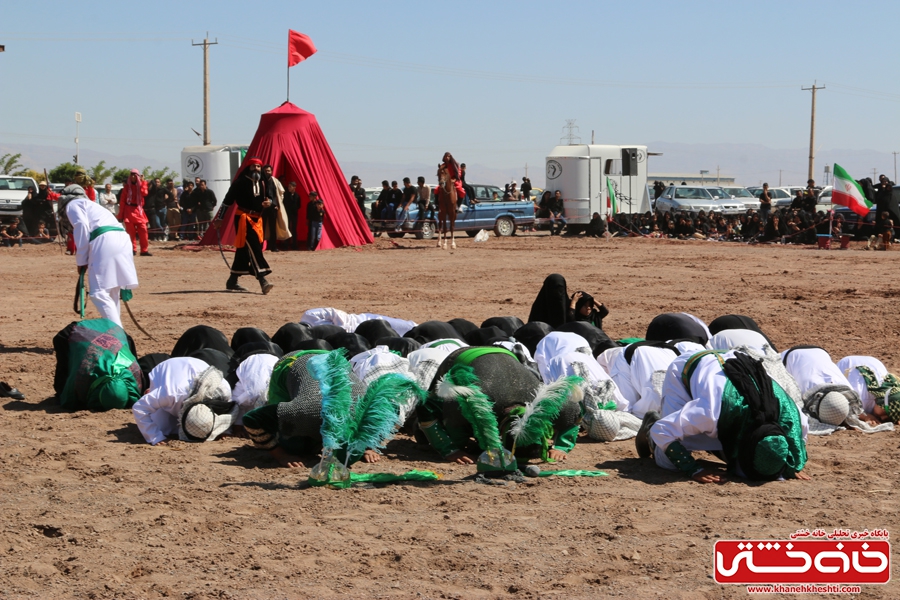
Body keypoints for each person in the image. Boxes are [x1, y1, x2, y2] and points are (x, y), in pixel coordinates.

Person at [638, 349, 810, 483]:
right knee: (668, 462)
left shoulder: (793, 418)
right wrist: (693, 469)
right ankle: (650, 423)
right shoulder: (710, 413)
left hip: (732, 367)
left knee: (729, 448)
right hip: (687, 369)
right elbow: (663, 431)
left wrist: (789, 464)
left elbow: (795, 441)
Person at [416, 345, 583, 467]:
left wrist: (562, 446)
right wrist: (450, 449)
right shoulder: (471, 400)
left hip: (506, 356)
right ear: (500, 435)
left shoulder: (547, 407)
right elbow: (425, 406)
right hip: (460, 359)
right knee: (439, 433)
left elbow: (574, 412)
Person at [59, 184, 139, 327]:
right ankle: (115, 332)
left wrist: (81, 260)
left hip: (105, 239)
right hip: (122, 239)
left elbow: (81, 227)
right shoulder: (92, 205)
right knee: (112, 291)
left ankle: (118, 336)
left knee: (98, 293)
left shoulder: (73, 204)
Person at [132, 357, 234, 445]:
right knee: (163, 428)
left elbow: (228, 410)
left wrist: (224, 430)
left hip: (197, 364)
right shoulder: (172, 393)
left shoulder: (223, 391)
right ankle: (152, 393)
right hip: (167, 369)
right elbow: (139, 407)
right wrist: (155, 437)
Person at [53, 318, 143, 411]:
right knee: (64, 376)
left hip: (114, 329)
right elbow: (69, 398)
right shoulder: (84, 373)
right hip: (77, 331)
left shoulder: (135, 376)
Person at [215, 158, 274, 294]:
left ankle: (232, 281)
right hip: (243, 218)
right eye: (254, 167)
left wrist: (269, 203)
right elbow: (227, 202)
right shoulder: (240, 183)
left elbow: (270, 198)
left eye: (259, 167)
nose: (257, 169)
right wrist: (220, 219)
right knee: (254, 247)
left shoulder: (265, 182)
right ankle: (262, 280)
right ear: (248, 168)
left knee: (244, 250)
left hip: (258, 220)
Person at [117, 169, 151, 256]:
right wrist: (120, 215)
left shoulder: (141, 185)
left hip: (139, 210)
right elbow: (122, 201)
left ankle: (144, 250)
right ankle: (132, 249)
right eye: (131, 175)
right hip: (128, 210)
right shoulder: (126, 188)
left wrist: (143, 182)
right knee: (130, 232)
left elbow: (144, 193)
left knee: (143, 230)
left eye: (135, 175)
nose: (132, 176)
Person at [282, 181, 301, 250]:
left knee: (294, 229)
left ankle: (294, 245)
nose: (289, 188)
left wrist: (294, 209)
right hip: (287, 214)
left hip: (294, 214)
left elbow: (299, 205)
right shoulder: (286, 195)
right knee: (287, 229)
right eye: (289, 186)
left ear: (294, 187)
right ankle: (286, 245)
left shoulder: (297, 196)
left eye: (290, 186)